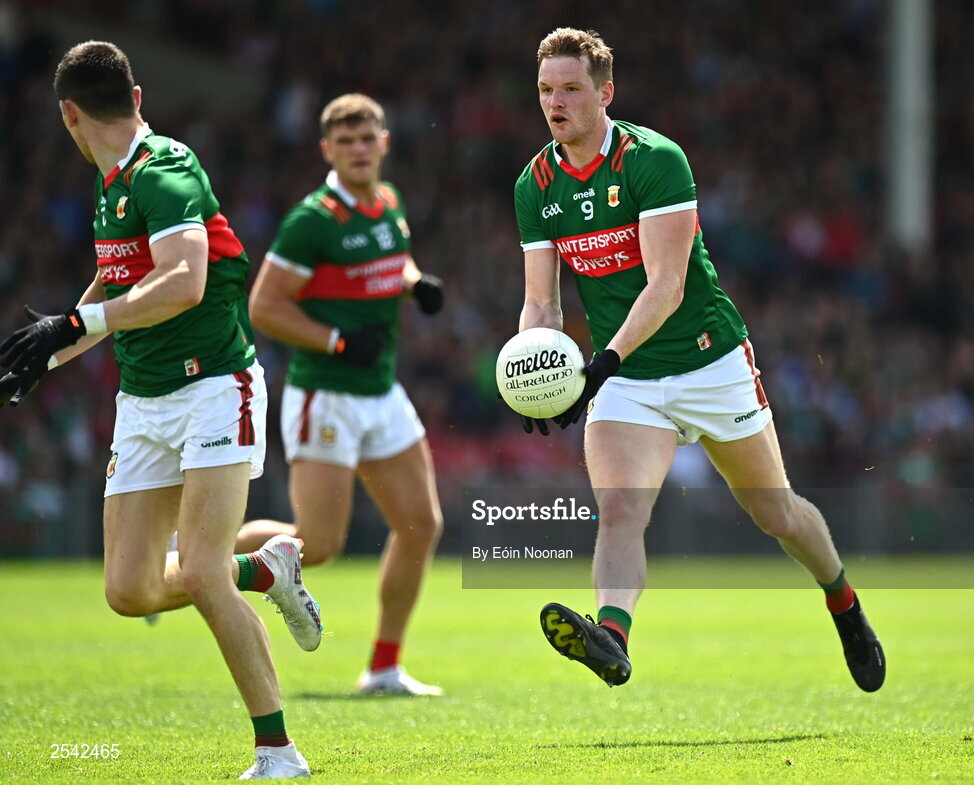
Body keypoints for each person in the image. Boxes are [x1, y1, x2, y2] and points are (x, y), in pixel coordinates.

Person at [514, 28, 885, 692]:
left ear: (606, 92)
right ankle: (612, 636)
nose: (556, 103)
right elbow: (540, 304)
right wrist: (537, 375)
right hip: (627, 380)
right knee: (622, 509)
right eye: (546, 90)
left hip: (710, 362)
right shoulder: (534, 184)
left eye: (571, 88)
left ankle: (844, 603)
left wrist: (599, 360)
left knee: (777, 514)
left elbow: (668, 285)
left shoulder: (655, 160)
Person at [0, 41, 323, 779]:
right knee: (129, 590)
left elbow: (181, 283)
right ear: (136, 94)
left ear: (68, 114)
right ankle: (267, 570)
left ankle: (279, 752)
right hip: (144, 401)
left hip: (215, 385)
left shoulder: (166, 170)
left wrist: (82, 326)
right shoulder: (111, 184)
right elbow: (119, 278)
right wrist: (48, 350)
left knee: (203, 570)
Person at [232, 94, 445, 696]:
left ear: (384, 142)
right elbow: (264, 307)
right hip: (324, 393)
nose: (357, 149)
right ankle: (189, 558)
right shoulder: (313, 220)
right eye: (344, 141)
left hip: (380, 392)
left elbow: (386, 265)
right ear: (327, 150)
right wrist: (336, 341)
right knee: (319, 544)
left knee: (422, 524)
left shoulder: (389, 203)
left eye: (366, 137)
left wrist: (414, 285)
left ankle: (383, 668)